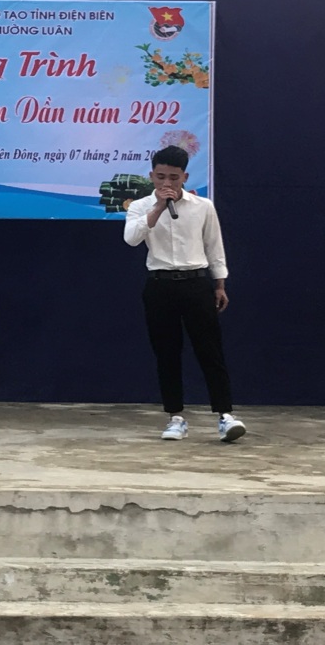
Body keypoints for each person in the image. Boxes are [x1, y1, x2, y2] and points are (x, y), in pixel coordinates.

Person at [123, 145, 246, 443]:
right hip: (160, 284)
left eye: (174, 178)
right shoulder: (140, 206)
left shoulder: (203, 206)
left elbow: (214, 246)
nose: (167, 183)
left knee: (210, 350)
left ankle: (225, 415)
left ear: (185, 177)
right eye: (161, 177)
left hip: (196, 283)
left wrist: (219, 284)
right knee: (167, 352)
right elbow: (131, 239)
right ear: (151, 175)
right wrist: (157, 208)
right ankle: (175, 417)